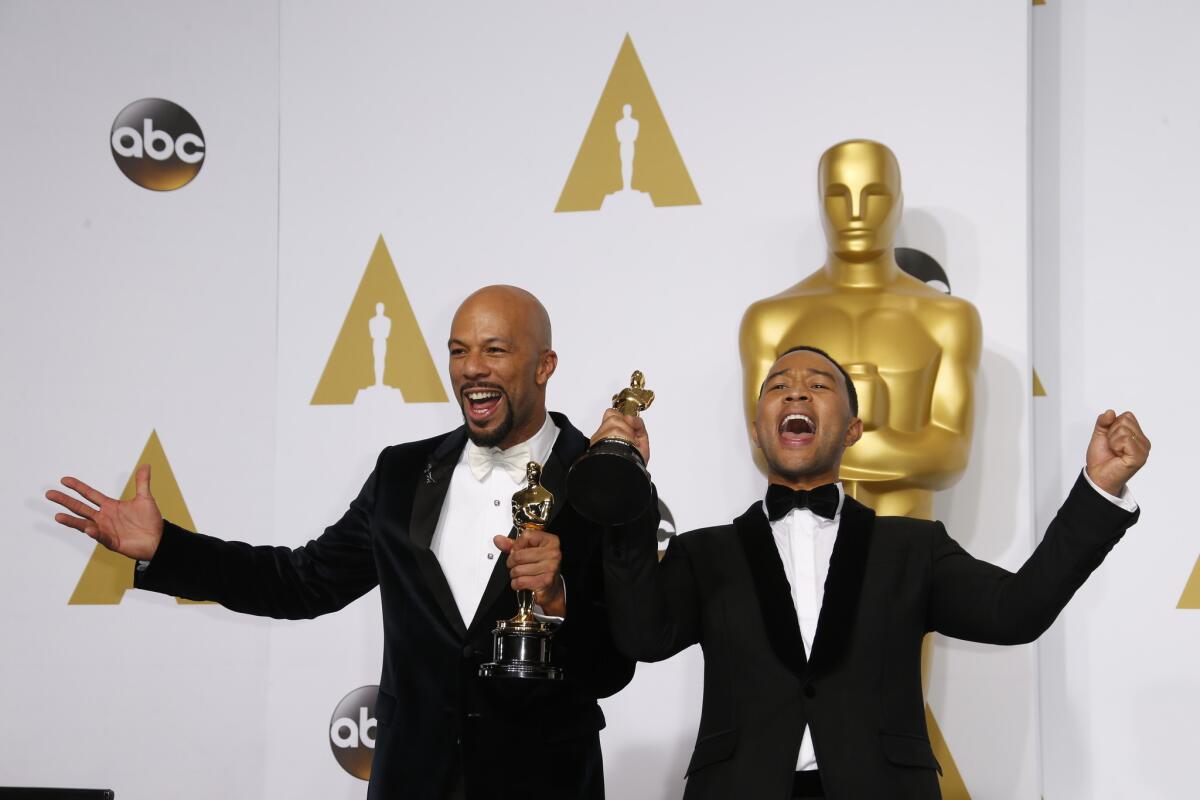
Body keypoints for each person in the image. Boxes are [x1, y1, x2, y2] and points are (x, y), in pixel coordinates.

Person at [46, 285, 637, 800]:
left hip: (544, 785)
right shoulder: (403, 475)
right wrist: (166, 548)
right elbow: (302, 582)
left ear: (544, 365)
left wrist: (560, 605)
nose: (471, 368)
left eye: (495, 349)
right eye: (458, 350)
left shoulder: (600, 480)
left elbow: (614, 666)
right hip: (412, 782)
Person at [595, 345, 1148, 800]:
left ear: (854, 429)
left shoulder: (912, 547)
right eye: (778, 384)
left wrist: (1099, 491)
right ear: (757, 428)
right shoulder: (707, 552)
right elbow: (644, 635)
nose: (795, 391)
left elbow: (1016, 611)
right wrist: (623, 487)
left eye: (819, 384)